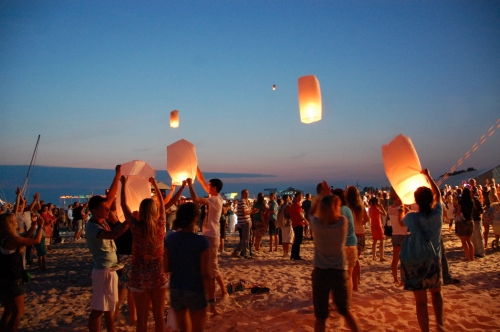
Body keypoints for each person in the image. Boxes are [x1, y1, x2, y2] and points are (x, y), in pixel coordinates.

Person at [121, 176, 184, 332]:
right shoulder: (161, 225)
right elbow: (162, 206)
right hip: (158, 275)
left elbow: (124, 206)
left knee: (141, 318)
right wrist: (155, 185)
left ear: (141, 211)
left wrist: (123, 184)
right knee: (158, 315)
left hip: (138, 276)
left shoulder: (135, 227)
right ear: (154, 211)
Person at [309, 181, 360, 332]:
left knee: (320, 317)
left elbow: (311, 213)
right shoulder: (342, 223)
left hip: (321, 272)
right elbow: (336, 210)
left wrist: (321, 196)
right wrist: (329, 195)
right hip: (339, 271)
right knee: (345, 310)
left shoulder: (317, 226)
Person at [86, 166, 130, 332]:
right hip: (102, 271)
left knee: (110, 307)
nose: (107, 209)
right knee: (98, 309)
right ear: (93, 210)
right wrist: (129, 220)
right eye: (104, 208)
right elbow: (113, 235)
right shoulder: (92, 227)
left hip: (111, 269)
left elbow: (110, 196)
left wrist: (118, 175)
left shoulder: (101, 218)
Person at [402, 169, 445, 332]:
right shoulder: (437, 214)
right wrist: (428, 176)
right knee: (436, 294)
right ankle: (440, 325)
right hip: (433, 259)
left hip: (416, 262)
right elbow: (438, 195)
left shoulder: (412, 217)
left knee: (420, 302)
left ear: (416, 200)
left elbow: (402, 222)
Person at [164, 202, 211, 332]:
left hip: (176, 288)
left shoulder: (171, 238)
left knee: (184, 328)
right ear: (195, 218)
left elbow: (165, 267)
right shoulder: (201, 241)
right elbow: (205, 273)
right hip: (195, 289)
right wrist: (211, 300)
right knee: (197, 328)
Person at [187, 174, 229, 315]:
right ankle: (223, 292)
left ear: (215, 188)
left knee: (212, 269)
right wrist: (195, 168)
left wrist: (190, 185)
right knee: (210, 267)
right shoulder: (214, 198)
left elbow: (195, 199)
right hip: (207, 235)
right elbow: (202, 180)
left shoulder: (215, 200)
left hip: (211, 237)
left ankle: (222, 293)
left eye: (209, 185)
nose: (207, 186)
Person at [0, 212, 44, 332]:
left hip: (4, 277)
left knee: (8, 311)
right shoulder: (12, 240)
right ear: (9, 223)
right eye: (14, 220)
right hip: (13, 279)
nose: (17, 222)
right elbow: (36, 240)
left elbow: (25, 237)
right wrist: (40, 226)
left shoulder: (4, 238)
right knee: (17, 312)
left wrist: (34, 226)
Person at [345, 186, 370, 291]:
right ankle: (357, 281)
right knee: (356, 260)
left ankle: (355, 285)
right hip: (361, 234)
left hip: (352, 235)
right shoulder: (361, 206)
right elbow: (367, 219)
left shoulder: (347, 207)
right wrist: (360, 224)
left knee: (353, 262)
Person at [232, 189, 258, 259]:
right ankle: (246, 254)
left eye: (247, 193)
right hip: (245, 222)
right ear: (242, 194)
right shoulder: (242, 201)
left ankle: (236, 252)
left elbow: (245, 211)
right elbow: (244, 212)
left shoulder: (243, 201)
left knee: (244, 239)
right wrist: (251, 212)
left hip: (244, 221)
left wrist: (252, 211)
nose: (247, 195)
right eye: (245, 193)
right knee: (246, 239)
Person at [388, 189, 407, 284]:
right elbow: (402, 221)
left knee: (395, 259)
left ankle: (395, 278)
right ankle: (403, 280)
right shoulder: (401, 208)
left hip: (394, 234)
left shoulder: (390, 208)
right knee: (404, 259)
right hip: (402, 234)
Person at [455, 187, 475, 261]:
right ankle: (472, 257)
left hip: (463, 222)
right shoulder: (471, 201)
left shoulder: (461, 202)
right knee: (469, 241)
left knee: (463, 241)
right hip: (470, 221)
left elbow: (458, 213)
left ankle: (468, 257)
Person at [290, 192, 309, 261]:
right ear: (296, 197)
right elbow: (299, 215)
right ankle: (296, 255)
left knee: (297, 240)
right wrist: (305, 221)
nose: (301, 197)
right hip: (298, 223)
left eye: (301, 196)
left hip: (295, 223)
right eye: (299, 196)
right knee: (298, 240)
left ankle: (293, 255)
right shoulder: (296, 205)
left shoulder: (294, 205)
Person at [368, 197, 387, 261]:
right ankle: (381, 256)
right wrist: (382, 208)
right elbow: (384, 214)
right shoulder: (377, 209)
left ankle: (374, 256)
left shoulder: (370, 209)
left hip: (373, 226)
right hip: (378, 225)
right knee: (381, 241)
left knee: (375, 241)